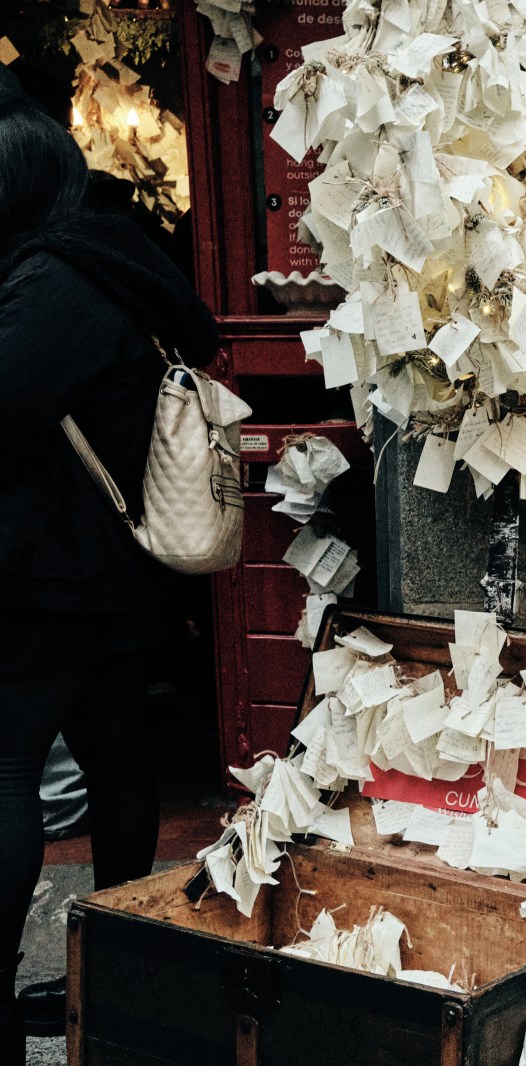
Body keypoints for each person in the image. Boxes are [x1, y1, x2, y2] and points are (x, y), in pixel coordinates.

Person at [0, 68, 217, 1062]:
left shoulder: (51, 282)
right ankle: (126, 978)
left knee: (10, 770)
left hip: (52, 575)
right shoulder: (113, 255)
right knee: (118, 758)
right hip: (113, 567)